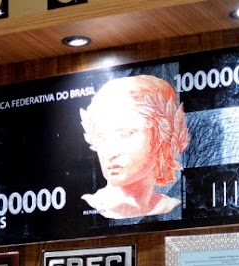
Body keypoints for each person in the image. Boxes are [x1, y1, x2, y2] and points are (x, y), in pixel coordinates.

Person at [80, 74, 191, 220]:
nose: (109, 153)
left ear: (160, 136)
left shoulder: (172, 206)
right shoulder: (85, 206)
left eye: (126, 133)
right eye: (101, 137)